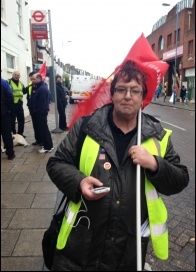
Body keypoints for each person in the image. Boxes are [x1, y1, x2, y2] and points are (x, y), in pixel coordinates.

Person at [46, 60, 189, 271]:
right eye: (121, 89)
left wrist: (154, 164)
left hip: (128, 247)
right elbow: (56, 163)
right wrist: (79, 182)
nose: (128, 96)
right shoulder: (87, 128)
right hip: (81, 242)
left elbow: (180, 179)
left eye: (135, 90)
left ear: (143, 98)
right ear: (112, 95)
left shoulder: (158, 136)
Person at [31, 73, 54, 153]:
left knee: (44, 130)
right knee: (43, 129)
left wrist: (40, 112)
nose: (32, 81)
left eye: (34, 79)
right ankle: (47, 145)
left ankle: (48, 147)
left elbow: (43, 103)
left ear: (39, 79)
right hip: (40, 112)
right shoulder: (40, 87)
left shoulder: (42, 89)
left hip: (41, 113)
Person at [7, 71, 28, 138]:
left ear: (19, 76)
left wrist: (29, 87)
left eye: (18, 75)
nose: (16, 76)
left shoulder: (21, 83)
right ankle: (13, 133)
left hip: (19, 103)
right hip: (12, 104)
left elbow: (24, 91)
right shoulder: (8, 82)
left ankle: (20, 133)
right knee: (12, 120)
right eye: (15, 75)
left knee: (21, 119)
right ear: (13, 75)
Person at [26, 71, 42, 146]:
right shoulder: (30, 85)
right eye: (31, 78)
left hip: (38, 110)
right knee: (35, 125)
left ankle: (42, 140)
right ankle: (38, 139)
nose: (32, 80)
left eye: (33, 78)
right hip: (32, 108)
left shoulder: (40, 86)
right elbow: (25, 92)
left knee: (40, 125)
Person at [1, 78, 15, 160]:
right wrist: (9, 109)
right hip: (4, 112)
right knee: (6, 133)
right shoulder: (4, 83)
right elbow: (10, 96)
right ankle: (10, 154)